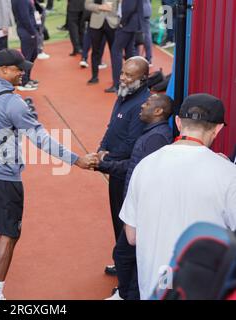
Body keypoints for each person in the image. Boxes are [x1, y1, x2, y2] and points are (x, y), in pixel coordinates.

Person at [0, 49, 94, 300]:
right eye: (18, 69)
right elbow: (41, 139)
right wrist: (77, 160)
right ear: (4, 70)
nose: (23, 73)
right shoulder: (13, 102)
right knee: (8, 233)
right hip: (4, 176)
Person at [120, 93, 236, 299]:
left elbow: (132, 236)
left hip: (154, 287)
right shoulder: (228, 174)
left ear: (178, 122)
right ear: (218, 128)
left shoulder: (144, 165)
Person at [91, 94, 174, 300]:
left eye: (147, 104)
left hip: (144, 209)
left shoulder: (156, 138)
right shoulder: (152, 134)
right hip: (139, 205)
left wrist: (103, 164)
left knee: (127, 254)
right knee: (127, 254)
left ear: (158, 111)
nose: (142, 106)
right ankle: (125, 293)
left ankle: (128, 294)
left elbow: (136, 168)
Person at [94, 56, 150, 276]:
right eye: (122, 73)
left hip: (125, 173)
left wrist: (104, 161)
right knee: (116, 216)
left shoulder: (141, 104)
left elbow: (131, 144)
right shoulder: (124, 93)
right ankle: (122, 261)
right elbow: (112, 127)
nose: (123, 78)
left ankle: (128, 268)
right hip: (114, 168)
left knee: (126, 221)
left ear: (143, 78)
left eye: (129, 75)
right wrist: (101, 148)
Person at [106, 0, 144, 93]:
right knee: (130, 52)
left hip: (127, 25)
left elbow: (129, 8)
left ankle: (118, 84)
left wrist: (122, 22)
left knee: (116, 51)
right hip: (132, 24)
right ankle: (131, 81)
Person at [85, 0, 119, 84]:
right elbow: (87, 5)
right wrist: (100, 7)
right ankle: (94, 76)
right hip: (96, 23)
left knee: (115, 52)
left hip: (113, 23)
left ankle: (116, 79)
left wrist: (112, 10)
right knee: (95, 51)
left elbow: (121, 6)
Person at [11, 0, 39, 91]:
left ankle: (27, 78)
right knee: (27, 57)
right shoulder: (22, 1)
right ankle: (23, 82)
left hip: (27, 30)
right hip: (27, 31)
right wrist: (32, 32)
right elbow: (24, 17)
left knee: (33, 55)